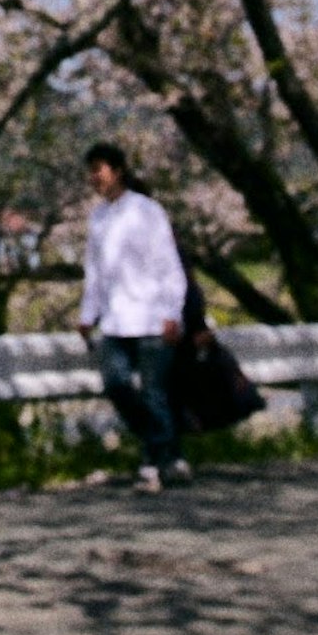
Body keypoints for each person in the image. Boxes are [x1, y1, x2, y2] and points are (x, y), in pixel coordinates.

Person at [80, 146, 191, 493]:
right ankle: (168, 451)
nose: (94, 177)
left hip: (151, 317)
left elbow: (168, 263)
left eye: (99, 169)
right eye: (91, 171)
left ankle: (152, 462)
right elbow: (94, 272)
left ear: (119, 170)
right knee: (117, 384)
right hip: (115, 319)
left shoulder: (147, 211)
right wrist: (88, 313)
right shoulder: (98, 217)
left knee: (154, 393)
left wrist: (173, 311)